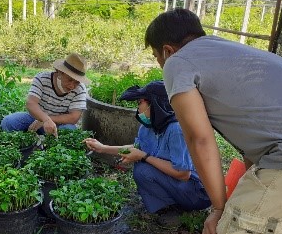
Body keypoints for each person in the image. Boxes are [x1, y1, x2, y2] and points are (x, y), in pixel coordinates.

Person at [145, 8, 282, 234]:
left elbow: (200, 139)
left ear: (166, 50)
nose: (160, 63)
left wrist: (219, 209)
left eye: (156, 56)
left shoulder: (178, 61)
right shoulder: (227, 50)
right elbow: (259, 130)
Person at [83, 80, 211, 225]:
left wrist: (143, 156)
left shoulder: (176, 130)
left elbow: (183, 174)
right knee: (142, 169)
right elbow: (136, 147)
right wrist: (103, 148)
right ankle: (170, 208)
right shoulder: (148, 127)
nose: (138, 108)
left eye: (140, 103)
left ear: (155, 104)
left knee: (143, 168)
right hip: (176, 184)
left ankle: (182, 208)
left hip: (195, 191)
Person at [1, 53, 88, 138]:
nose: (72, 86)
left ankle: (49, 146)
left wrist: (48, 120)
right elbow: (31, 103)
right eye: (70, 80)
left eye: (77, 82)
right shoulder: (42, 78)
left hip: (59, 125)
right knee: (8, 122)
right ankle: (31, 140)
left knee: (69, 131)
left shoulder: (80, 89)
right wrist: (44, 119)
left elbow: (73, 117)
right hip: (35, 119)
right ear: (60, 73)